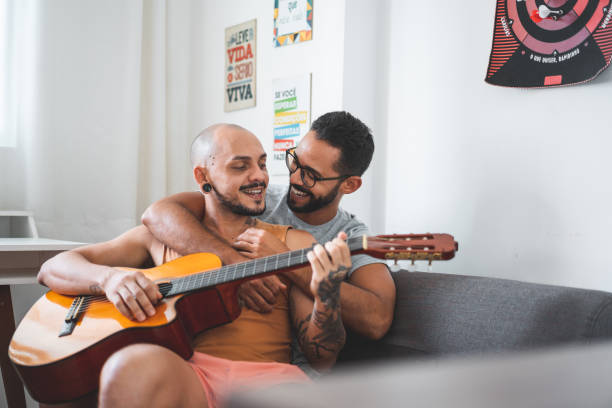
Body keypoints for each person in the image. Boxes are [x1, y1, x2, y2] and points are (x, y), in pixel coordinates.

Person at [38, 124, 351, 408]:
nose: (259, 176)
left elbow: (321, 359)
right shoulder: (158, 237)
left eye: (262, 164)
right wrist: (108, 279)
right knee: (126, 365)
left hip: (267, 381)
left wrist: (328, 299)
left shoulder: (292, 244)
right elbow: (53, 268)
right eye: (240, 166)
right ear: (204, 178)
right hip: (185, 374)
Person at [142, 112, 396, 371]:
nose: (295, 179)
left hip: (285, 371)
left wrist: (285, 261)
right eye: (295, 162)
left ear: (350, 185)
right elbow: (158, 215)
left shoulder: (350, 235)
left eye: (311, 175)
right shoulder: (255, 197)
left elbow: (377, 320)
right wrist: (235, 265)